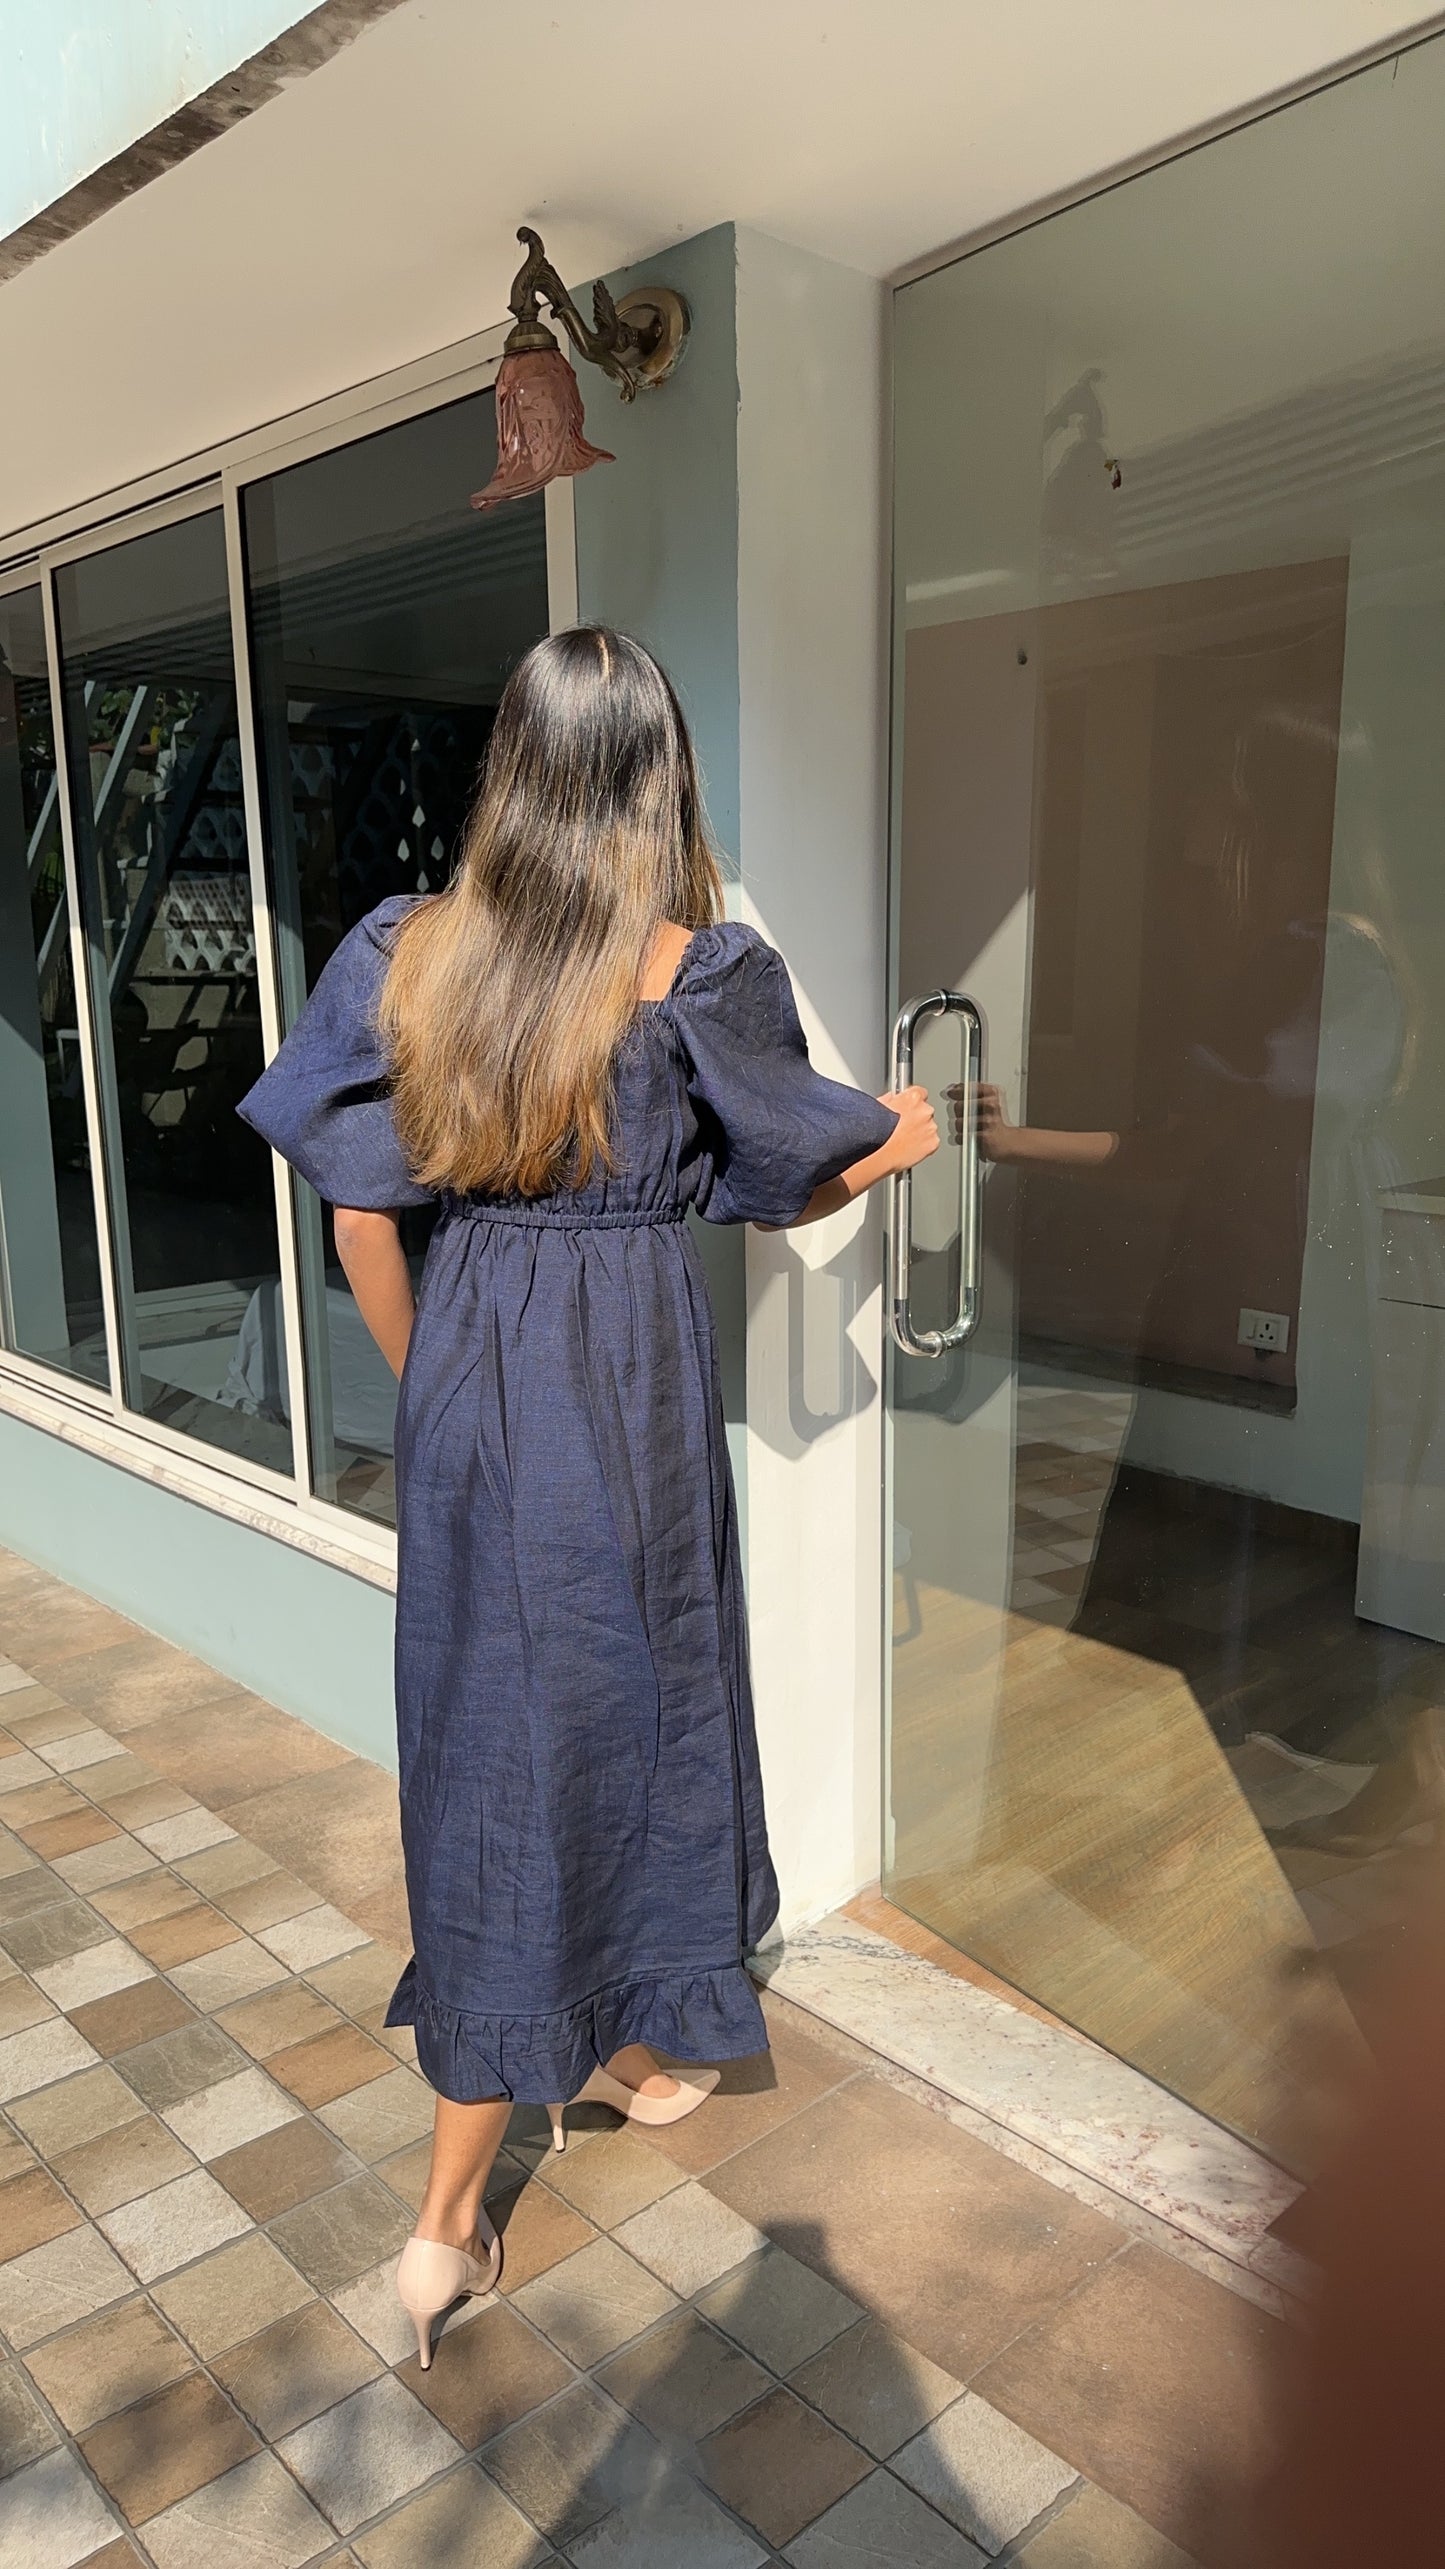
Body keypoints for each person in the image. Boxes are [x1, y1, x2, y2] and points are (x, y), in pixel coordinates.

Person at [238, 626, 938, 2363]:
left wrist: (445, 1405)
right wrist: (903, 1141)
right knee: (625, 1728)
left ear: (513, 768)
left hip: (472, 1405)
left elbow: (354, 1226)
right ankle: (443, 2215)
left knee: (500, 1748)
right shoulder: (700, 977)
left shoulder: (412, 956)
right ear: (655, 780)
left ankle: (613, 2043)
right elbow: (793, 1190)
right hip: (622, 1417)